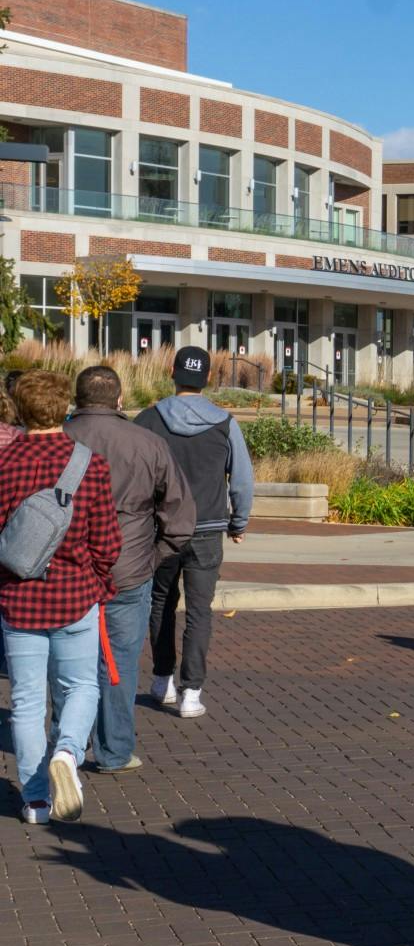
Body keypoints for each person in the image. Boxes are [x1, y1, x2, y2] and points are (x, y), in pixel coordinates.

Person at [0, 370, 120, 825]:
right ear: (64, 407)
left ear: (20, 409)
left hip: (19, 598)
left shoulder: (5, 464)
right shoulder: (90, 464)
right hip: (75, 594)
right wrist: (101, 580)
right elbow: (106, 541)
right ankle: (68, 752)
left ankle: (34, 801)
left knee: (27, 700)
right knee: (81, 686)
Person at [67, 366, 195, 775]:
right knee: (117, 662)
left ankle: (64, 745)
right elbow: (179, 514)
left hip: (64, 570)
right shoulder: (147, 443)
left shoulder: (57, 441)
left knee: (65, 664)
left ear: (78, 398)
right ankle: (114, 750)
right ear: (120, 400)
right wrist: (153, 557)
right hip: (127, 568)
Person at [135, 346, 253, 718]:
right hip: (207, 528)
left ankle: (161, 679)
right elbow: (243, 480)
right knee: (199, 610)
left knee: (161, 604)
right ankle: (192, 692)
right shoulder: (225, 422)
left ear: (172, 371)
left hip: (163, 528)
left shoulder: (148, 420)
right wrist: (239, 522)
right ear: (208, 378)